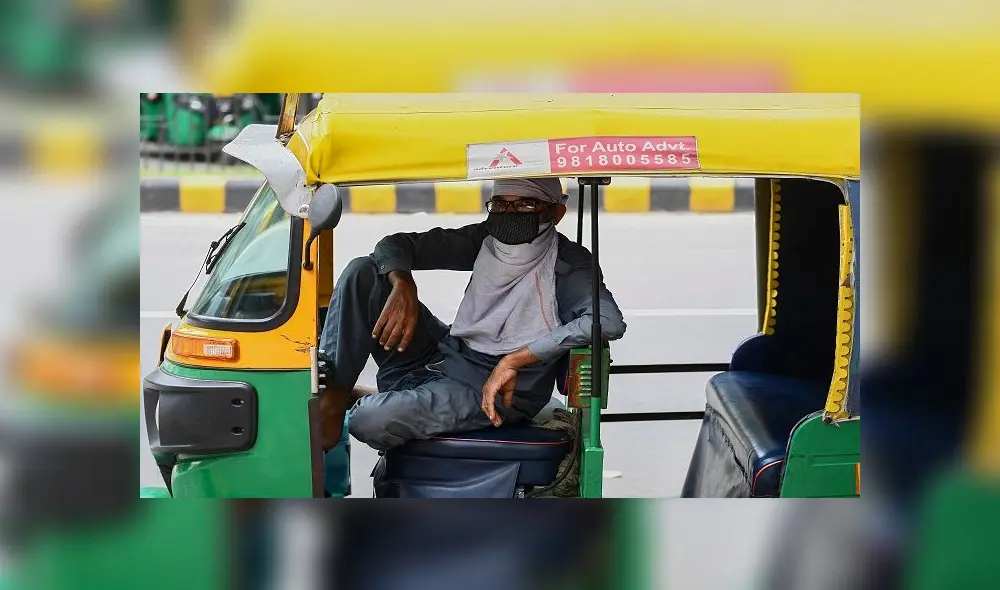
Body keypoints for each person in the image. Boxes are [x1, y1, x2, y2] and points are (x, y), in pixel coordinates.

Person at [318, 177, 626, 451]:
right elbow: (394, 245)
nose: (510, 214)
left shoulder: (570, 265)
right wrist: (402, 282)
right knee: (363, 272)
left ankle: (376, 400)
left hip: (498, 388)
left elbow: (607, 321)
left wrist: (515, 358)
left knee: (367, 419)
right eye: (501, 205)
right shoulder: (484, 241)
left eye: (526, 205)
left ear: (556, 213)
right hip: (447, 352)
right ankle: (333, 396)